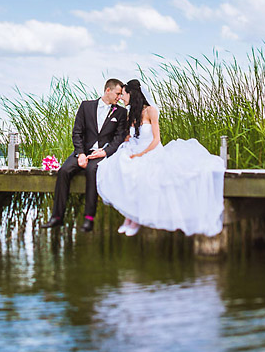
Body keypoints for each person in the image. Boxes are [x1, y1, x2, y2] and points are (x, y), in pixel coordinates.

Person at [96, 79, 225, 237]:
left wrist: (140, 154)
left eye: (124, 94)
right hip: (135, 147)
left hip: (151, 150)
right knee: (120, 166)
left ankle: (136, 219)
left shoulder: (151, 111)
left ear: (132, 94)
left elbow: (156, 139)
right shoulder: (132, 113)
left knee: (142, 173)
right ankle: (129, 216)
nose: (122, 98)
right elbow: (131, 136)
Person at [41, 79, 128, 232]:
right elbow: (77, 132)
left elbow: (119, 138)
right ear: (108, 90)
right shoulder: (86, 106)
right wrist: (80, 153)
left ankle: (89, 218)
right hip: (82, 151)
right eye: (118, 93)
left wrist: (105, 152)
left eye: (121, 95)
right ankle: (57, 217)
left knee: (92, 171)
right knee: (64, 171)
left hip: (102, 154)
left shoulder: (121, 112)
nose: (119, 97)